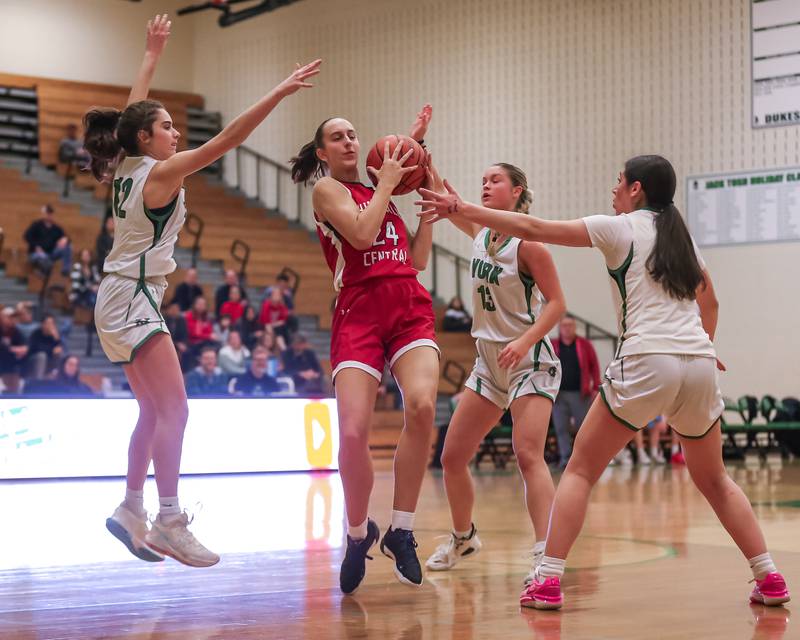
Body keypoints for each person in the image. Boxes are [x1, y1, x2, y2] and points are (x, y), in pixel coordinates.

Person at [417, 154, 791, 609]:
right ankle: (768, 575)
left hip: (647, 359)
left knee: (579, 469)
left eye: (619, 182)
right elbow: (710, 304)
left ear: (636, 190)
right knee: (715, 480)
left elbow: (535, 229)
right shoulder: (682, 239)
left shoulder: (621, 227)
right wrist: (705, 348)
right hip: (697, 362)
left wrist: (461, 209)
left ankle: (547, 579)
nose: (613, 189)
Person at [83, 12, 321, 567]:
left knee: (151, 412)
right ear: (147, 138)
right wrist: (278, 93)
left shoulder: (127, 163)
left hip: (117, 294)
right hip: (134, 295)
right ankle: (168, 519)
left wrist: (151, 55)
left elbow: (128, 115)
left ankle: (130, 508)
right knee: (177, 410)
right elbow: (228, 139)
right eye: (166, 126)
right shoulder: (160, 174)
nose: (175, 133)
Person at [290, 104, 440, 593]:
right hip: (359, 309)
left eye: (354, 134)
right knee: (353, 433)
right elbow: (361, 233)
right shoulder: (328, 189)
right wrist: (387, 184)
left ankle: (401, 529)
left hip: (408, 305)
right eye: (338, 137)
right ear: (322, 152)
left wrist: (428, 211)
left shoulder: (384, 190)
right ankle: (358, 534)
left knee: (420, 408)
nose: (351, 142)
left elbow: (415, 260)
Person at [422, 163, 565, 586]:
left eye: (495, 180)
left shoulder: (530, 245)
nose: (485, 185)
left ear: (517, 191)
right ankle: (464, 538)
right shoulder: (482, 233)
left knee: (527, 454)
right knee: (450, 457)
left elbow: (557, 303)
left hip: (529, 359)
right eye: (482, 180)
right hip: (487, 362)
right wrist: (420, 149)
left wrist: (524, 341)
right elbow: (439, 194)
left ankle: (546, 555)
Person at [551, 315, 601, 469]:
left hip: (580, 395)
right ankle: (565, 459)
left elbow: (595, 367)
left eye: (570, 325)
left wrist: (595, 387)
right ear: (560, 328)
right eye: (564, 325)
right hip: (558, 395)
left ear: (575, 327)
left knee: (583, 429)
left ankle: (585, 460)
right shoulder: (553, 345)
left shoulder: (585, 345)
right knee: (561, 428)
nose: (567, 328)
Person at [23, 204, 73, 276]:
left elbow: (66, 238)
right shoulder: (36, 225)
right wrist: (36, 246)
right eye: (47, 213)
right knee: (42, 258)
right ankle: (43, 271)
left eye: (50, 214)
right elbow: (26, 236)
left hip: (50, 253)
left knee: (67, 246)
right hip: (36, 253)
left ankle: (65, 270)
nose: (49, 215)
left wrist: (66, 239)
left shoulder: (56, 228)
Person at [27, 314, 64, 380]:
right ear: (42, 324)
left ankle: (57, 379)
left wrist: (57, 339)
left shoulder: (54, 335)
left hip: (49, 359)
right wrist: (52, 350)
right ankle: (39, 381)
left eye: (52, 323)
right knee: (42, 355)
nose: (50, 326)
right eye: (48, 323)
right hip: (34, 359)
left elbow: (59, 348)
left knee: (60, 354)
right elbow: (36, 348)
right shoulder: (36, 334)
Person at [0, 308, 28, 393]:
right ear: (1, 318)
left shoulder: (16, 332)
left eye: (13, 317)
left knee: (14, 390)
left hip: (12, 365)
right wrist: (12, 349)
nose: (12, 320)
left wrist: (12, 349)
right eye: (9, 317)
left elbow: (24, 348)